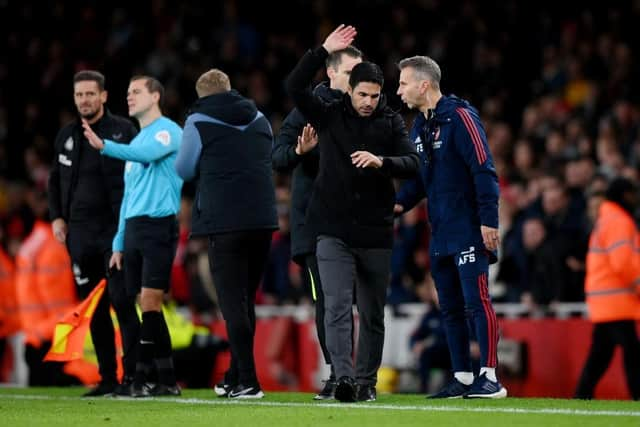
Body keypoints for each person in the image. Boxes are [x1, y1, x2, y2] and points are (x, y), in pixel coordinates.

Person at [286, 25, 419, 402]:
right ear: (350, 90)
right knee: (338, 306)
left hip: (376, 230)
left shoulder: (390, 121)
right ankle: (342, 378)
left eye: (375, 96)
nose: (369, 102)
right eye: (362, 94)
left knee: (373, 313)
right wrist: (321, 50)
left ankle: (366, 383)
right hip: (331, 229)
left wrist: (383, 162)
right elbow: (294, 88)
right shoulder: (328, 114)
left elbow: (413, 163)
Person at [395, 55, 506, 398]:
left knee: (477, 301)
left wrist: (489, 221)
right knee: (450, 309)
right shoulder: (419, 126)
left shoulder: (461, 117)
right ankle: (464, 377)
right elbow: (419, 182)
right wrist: (395, 207)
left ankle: (490, 377)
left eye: (403, 83)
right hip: (440, 233)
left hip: (469, 229)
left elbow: (484, 169)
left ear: (423, 84)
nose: (398, 90)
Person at [175, 68, 277, 399]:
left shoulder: (197, 121)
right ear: (230, 89)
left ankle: (248, 380)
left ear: (202, 95)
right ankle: (235, 375)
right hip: (263, 219)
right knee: (245, 300)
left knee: (232, 303)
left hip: (225, 220)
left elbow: (184, 168)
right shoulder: (260, 117)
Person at [82, 75, 183, 397]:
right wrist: (118, 243)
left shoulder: (168, 131)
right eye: (127, 93)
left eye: (136, 92)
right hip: (136, 227)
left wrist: (106, 146)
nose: (129, 97)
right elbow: (128, 197)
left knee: (151, 301)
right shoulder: (136, 142)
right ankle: (166, 380)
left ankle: (139, 380)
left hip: (159, 224)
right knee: (145, 305)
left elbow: (149, 156)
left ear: (155, 97)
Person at [272, 45, 363, 400]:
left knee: (352, 301)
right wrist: (300, 151)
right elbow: (278, 158)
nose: (358, 78)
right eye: (351, 71)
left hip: (353, 222)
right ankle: (338, 375)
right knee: (329, 300)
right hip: (315, 225)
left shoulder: (360, 111)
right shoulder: (307, 110)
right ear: (331, 73)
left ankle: (353, 374)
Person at [47, 70, 140, 396]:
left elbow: (137, 176)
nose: (84, 100)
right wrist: (57, 217)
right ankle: (107, 379)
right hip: (81, 236)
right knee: (95, 308)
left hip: (115, 231)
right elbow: (54, 181)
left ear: (103, 96)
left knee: (122, 301)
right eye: (79, 95)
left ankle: (133, 377)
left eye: (90, 94)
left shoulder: (123, 130)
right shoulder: (66, 136)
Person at [574, 178, 640, 400]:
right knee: (632, 352)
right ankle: (637, 395)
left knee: (601, 355)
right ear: (625, 195)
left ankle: (582, 397)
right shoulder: (619, 221)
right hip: (617, 301)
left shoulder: (607, 219)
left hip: (606, 301)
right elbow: (623, 263)